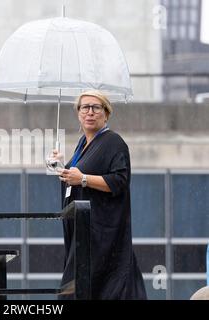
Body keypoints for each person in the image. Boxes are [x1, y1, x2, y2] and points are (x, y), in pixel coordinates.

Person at [53, 89, 147, 300]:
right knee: (77, 289)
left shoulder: (114, 143)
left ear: (106, 113)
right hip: (81, 233)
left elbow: (119, 181)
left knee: (87, 290)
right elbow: (74, 179)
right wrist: (60, 165)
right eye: (85, 107)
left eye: (96, 107)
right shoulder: (82, 144)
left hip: (102, 235)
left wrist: (83, 178)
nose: (90, 112)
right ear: (78, 113)